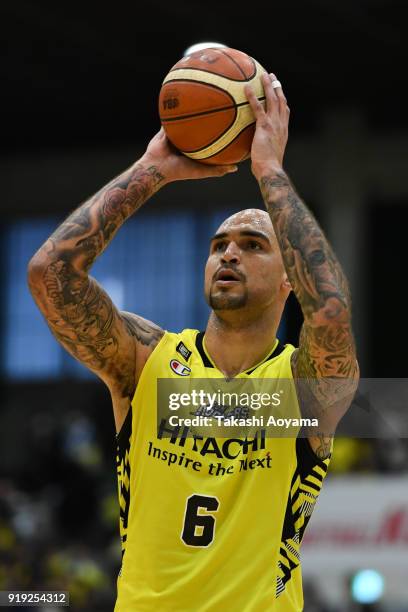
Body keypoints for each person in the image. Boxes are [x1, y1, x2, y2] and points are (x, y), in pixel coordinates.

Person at [27, 71, 359, 611]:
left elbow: (330, 309)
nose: (228, 254)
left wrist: (269, 170)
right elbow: (50, 274)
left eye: (252, 244)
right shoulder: (146, 359)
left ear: (289, 279)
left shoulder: (303, 389)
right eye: (219, 244)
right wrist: (151, 170)